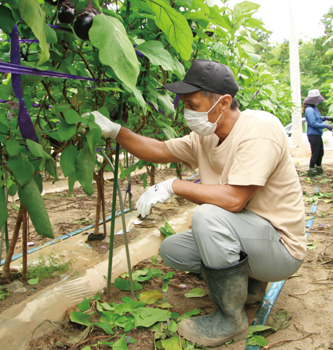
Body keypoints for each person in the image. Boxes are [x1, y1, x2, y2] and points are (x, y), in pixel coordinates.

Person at [87, 60, 306, 347]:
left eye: (192, 105)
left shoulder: (260, 129)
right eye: (185, 105)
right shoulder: (206, 136)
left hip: (280, 247)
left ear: (224, 103)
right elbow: (161, 149)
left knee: (207, 216)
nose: (186, 113)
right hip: (250, 237)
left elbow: (234, 199)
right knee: (173, 249)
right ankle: (250, 287)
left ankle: (230, 318)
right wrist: (117, 131)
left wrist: (173, 185)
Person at [303, 89, 333, 177]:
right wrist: (326, 126)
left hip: (317, 134)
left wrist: (325, 118)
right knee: (315, 153)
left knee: (320, 152)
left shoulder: (314, 108)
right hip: (313, 134)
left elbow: (318, 119)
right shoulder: (309, 110)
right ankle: (311, 172)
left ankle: (318, 170)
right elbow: (313, 123)